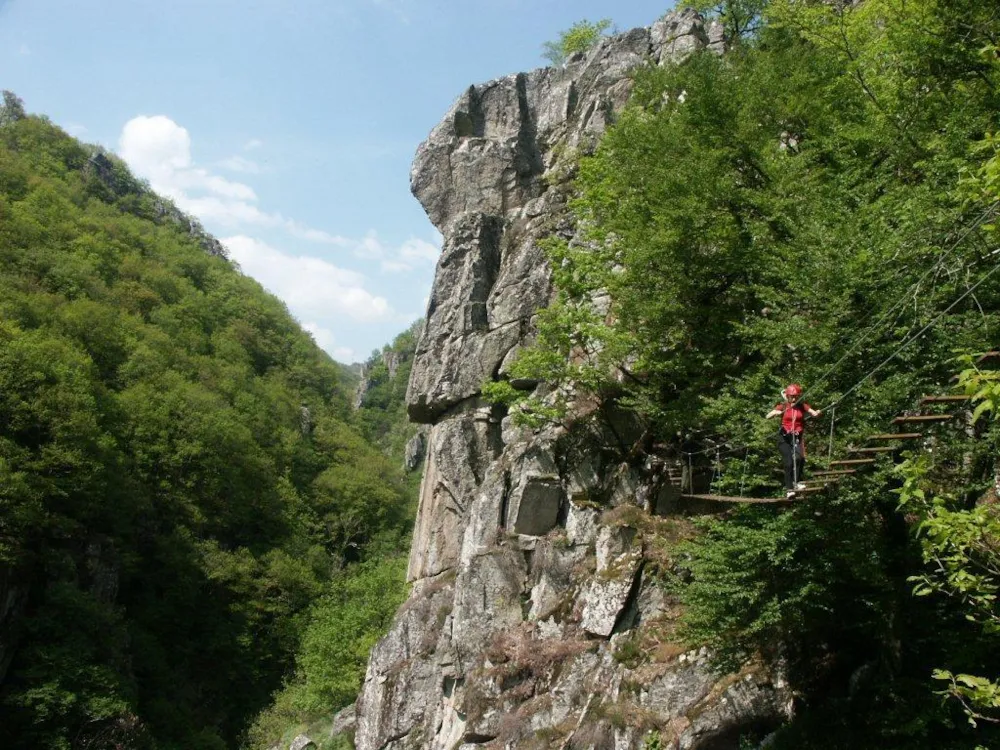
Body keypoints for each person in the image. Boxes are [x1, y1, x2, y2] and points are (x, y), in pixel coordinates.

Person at [765, 384, 822, 498]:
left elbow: (813, 412)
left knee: (800, 458)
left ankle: (798, 482)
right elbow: (768, 416)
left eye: (796, 396)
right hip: (784, 438)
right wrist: (775, 413)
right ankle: (789, 489)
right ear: (788, 396)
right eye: (792, 396)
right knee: (789, 463)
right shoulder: (783, 406)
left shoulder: (802, 406)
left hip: (797, 437)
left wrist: (817, 413)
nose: (794, 399)